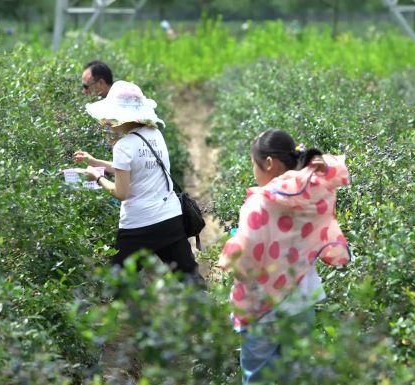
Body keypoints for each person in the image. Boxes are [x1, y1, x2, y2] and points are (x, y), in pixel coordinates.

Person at [219, 129, 351, 384]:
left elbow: (244, 261)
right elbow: (335, 168)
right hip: (302, 302)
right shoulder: (315, 191)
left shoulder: (259, 205)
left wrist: (231, 249)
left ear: (268, 163)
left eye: (254, 165)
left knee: (258, 378)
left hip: (264, 311)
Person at [72, 80, 200, 279]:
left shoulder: (123, 146)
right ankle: (208, 310)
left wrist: (97, 177)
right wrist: (94, 160)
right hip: (169, 219)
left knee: (118, 284)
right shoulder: (155, 134)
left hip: (138, 226)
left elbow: (121, 193)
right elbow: (135, 168)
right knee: (190, 279)